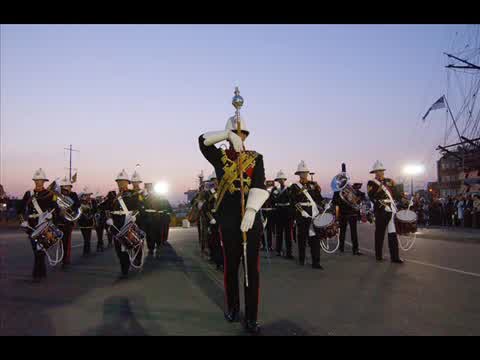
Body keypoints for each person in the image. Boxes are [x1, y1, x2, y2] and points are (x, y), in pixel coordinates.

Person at [199, 114, 269, 334]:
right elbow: (201, 140)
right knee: (231, 267)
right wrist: (225, 133)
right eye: (235, 133)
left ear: (246, 135)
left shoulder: (256, 158)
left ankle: (251, 317)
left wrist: (251, 210)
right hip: (228, 220)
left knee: (252, 271)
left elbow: (260, 184)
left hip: (250, 220)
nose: (239, 136)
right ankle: (232, 307)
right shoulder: (219, 158)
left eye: (241, 133)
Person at [17, 169, 60, 282]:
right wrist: (22, 221)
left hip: (44, 224)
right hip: (31, 225)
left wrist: (52, 216)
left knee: (41, 249)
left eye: (40, 180)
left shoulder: (50, 194)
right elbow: (20, 209)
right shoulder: (28, 194)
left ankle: (38, 273)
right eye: (36, 180)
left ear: (44, 181)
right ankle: (41, 271)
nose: (38, 182)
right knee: (35, 248)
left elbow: (56, 209)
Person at [105, 169, 145, 279]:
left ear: (128, 183)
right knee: (119, 247)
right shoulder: (112, 194)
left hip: (129, 221)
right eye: (119, 182)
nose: (121, 184)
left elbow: (140, 207)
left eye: (123, 182)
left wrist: (135, 215)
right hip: (116, 223)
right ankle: (125, 266)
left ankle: (137, 257)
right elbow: (107, 208)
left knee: (135, 242)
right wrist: (108, 218)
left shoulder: (134, 194)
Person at [289, 160, 324, 269]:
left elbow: (319, 199)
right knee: (302, 238)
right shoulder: (294, 186)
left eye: (305, 173)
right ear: (298, 174)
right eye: (302, 173)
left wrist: (322, 205)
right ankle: (302, 259)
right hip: (302, 214)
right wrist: (301, 211)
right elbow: (293, 201)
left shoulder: (314, 184)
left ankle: (316, 262)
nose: (304, 175)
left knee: (315, 238)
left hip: (313, 214)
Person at [367, 160, 403, 264]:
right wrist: (379, 188)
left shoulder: (390, 181)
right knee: (380, 233)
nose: (380, 172)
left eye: (381, 170)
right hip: (381, 210)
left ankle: (395, 257)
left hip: (391, 208)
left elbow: (396, 194)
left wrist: (402, 198)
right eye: (378, 171)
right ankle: (378, 255)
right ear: (375, 172)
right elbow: (371, 196)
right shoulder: (371, 183)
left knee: (392, 233)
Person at [333, 178, 364, 256]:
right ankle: (341, 247)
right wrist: (344, 198)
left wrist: (357, 198)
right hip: (343, 213)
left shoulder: (351, 189)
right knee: (342, 231)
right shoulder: (337, 191)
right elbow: (335, 202)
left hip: (352, 213)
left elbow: (362, 195)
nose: (343, 184)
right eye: (342, 182)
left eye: (345, 182)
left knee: (354, 232)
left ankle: (355, 249)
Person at [56, 176, 80, 269]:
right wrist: (59, 211)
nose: (66, 188)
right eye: (64, 186)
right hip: (59, 221)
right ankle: (62, 257)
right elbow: (54, 205)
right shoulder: (57, 195)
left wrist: (68, 210)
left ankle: (66, 259)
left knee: (67, 241)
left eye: (68, 186)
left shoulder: (73, 195)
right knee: (60, 241)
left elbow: (77, 205)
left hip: (68, 221)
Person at [272, 170, 294, 259]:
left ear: (284, 180)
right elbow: (273, 200)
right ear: (277, 180)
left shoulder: (289, 189)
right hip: (278, 212)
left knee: (288, 234)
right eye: (279, 179)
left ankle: (289, 252)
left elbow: (292, 200)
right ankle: (278, 250)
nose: (281, 181)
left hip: (287, 212)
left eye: (282, 179)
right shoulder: (274, 189)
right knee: (279, 233)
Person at [143, 183, 163, 257]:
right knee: (149, 234)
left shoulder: (157, 197)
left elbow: (160, 206)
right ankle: (150, 248)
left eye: (149, 188)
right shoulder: (145, 197)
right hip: (148, 217)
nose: (148, 190)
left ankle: (158, 245)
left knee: (157, 232)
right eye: (147, 188)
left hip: (155, 216)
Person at [78, 187, 96, 257]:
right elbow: (79, 212)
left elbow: (94, 210)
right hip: (82, 222)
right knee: (85, 237)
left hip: (89, 221)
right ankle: (86, 250)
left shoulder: (92, 202)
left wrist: (92, 205)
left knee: (88, 237)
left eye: (89, 195)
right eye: (87, 195)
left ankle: (87, 250)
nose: (88, 196)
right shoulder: (80, 202)